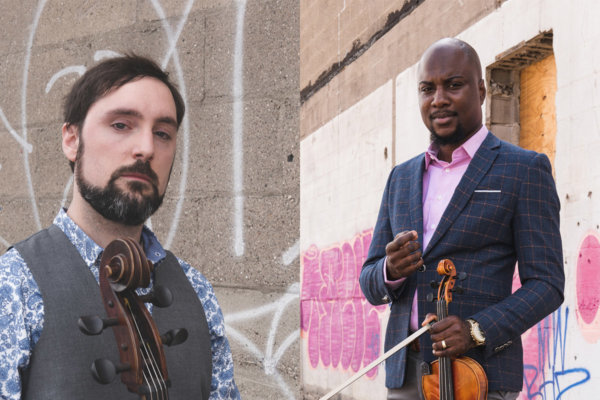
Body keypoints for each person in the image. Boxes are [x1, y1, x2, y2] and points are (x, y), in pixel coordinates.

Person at [0, 55, 240, 399]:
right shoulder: (13, 286)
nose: (145, 148)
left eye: (162, 133)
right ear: (72, 139)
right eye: (121, 125)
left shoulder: (197, 291)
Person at [359, 38, 564, 400]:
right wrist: (389, 270)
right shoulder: (401, 178)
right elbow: (369, 280)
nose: (438, 99)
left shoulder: (524, 169)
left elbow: (547, 285)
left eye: (453, 85)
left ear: (482, 90)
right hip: (406, 375)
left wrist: (476, 329)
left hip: (480, 376)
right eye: (427, 89)